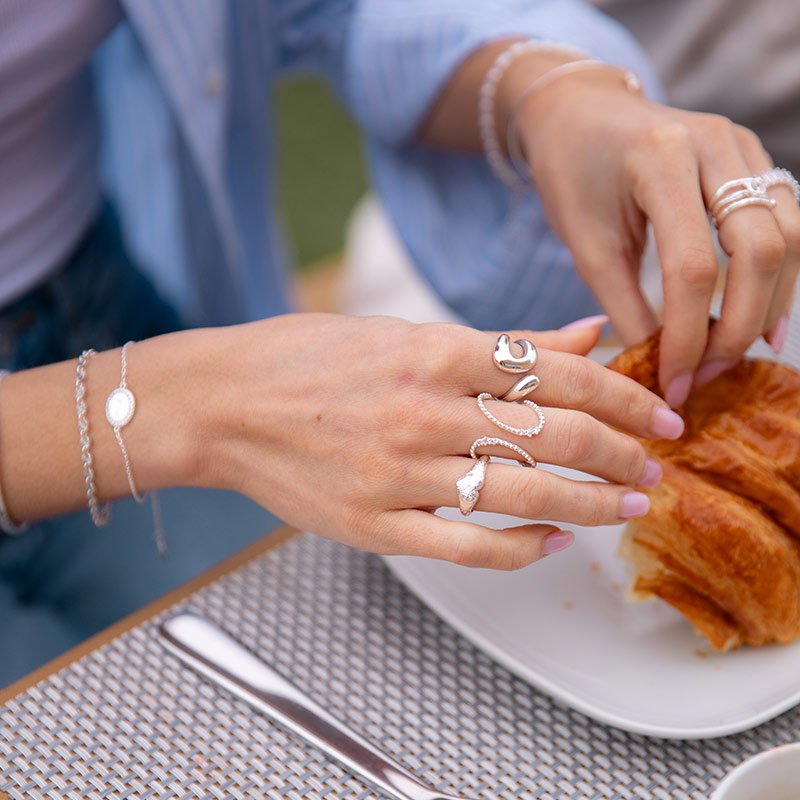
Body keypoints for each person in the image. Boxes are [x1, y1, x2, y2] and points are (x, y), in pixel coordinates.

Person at [0, 1, 796, 687]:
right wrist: (193, 404)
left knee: (336, 670)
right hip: (143, 392)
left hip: (98, 301)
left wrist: (541, 86)